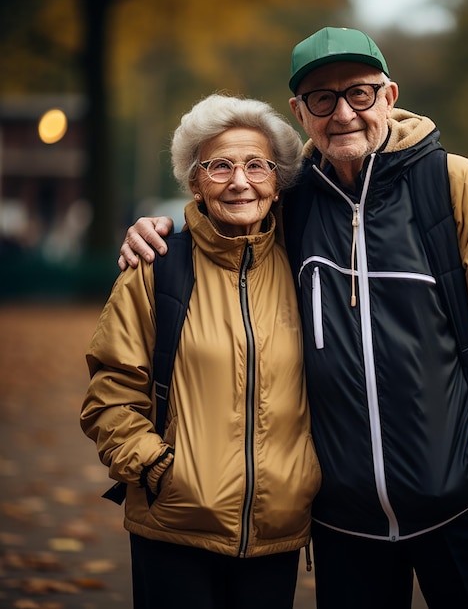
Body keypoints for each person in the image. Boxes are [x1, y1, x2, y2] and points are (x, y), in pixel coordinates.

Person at [118, 27, 468, 609]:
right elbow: (228, 208)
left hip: (464, 503)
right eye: (322, 98)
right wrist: (161, 228)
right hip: (346, 525)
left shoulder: (453, 184)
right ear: (302, 112)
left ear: (389, 95)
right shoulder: (294, 199)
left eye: (360, 92)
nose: (344, 112)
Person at [81, 93, 321, 609]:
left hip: (276, 532)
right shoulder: (156, 267)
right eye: (219, 166)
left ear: (277, 182)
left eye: (256, 166)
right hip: (174, 526)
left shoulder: (306, 268)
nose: (240, 181)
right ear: (195, 182)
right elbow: (110, 393)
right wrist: (156, 468)